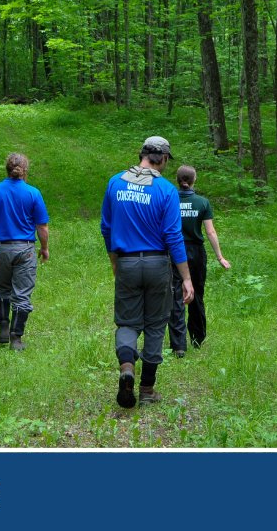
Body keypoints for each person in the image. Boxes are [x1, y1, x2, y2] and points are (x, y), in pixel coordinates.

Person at [101, 136, 194, 408]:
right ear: (163, 159)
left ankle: (127, 367)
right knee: (155, 325)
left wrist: (115, 262)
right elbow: (173, 236)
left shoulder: (115, 183)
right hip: (157, 264)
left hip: (127, 262)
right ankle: (147, 390)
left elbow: (106, 228)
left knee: (127, 323)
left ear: (141, 153)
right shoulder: (166, 190)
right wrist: (186, 277)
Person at [0, 153, 50, 351]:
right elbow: (42, 226)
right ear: (26, 170)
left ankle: (3, 329)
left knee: (1, 289)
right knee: (22, 294)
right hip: (24, 249)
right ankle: (16, 339)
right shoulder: (33, 193)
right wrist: (44, 248)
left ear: (6, 169)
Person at [167, 165, 231, 356]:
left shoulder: (170, 200)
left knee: (175, 296)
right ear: (194, 180)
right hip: (195, 253)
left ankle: (178, 345)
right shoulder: (202, 202)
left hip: (173, 251)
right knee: (196, 294)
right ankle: (197, 339)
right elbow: (210, 231)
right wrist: (220, 256)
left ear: (178, 180)